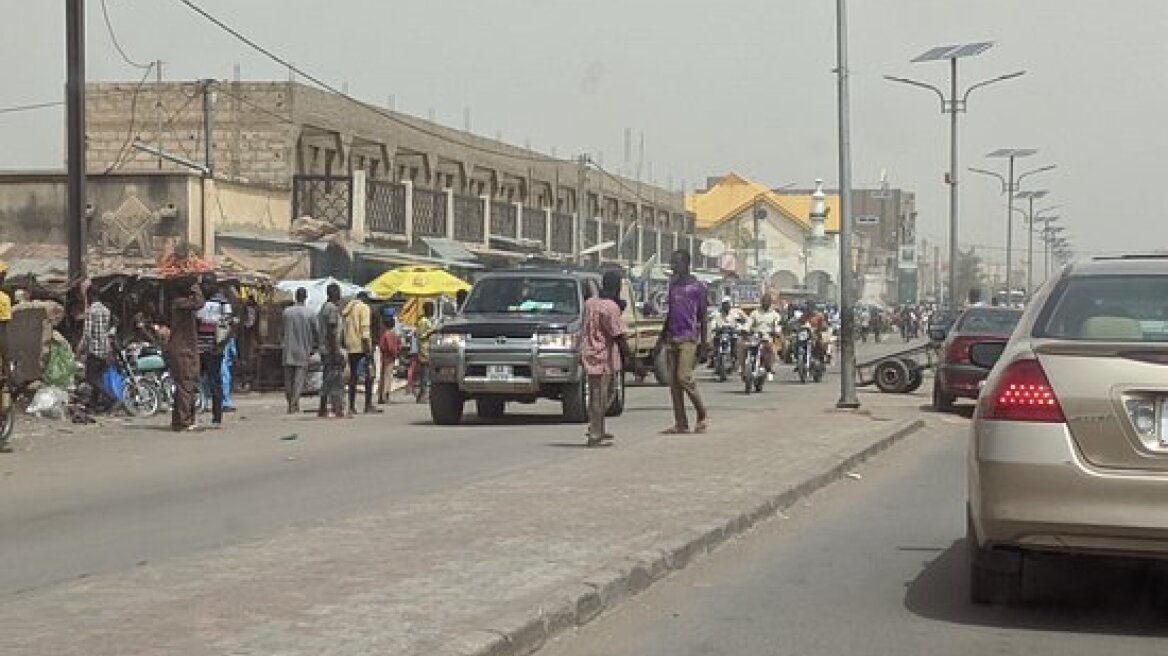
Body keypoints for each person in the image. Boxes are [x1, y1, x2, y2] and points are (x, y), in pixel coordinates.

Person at [580, 270, 641, 446]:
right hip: (604, 356)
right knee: (603, 394)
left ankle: (598, 427)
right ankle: (595, 433)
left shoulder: (590, 303)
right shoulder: (610, 307)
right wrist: (632, 360)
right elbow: (618, 335)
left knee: (595, 393)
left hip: (589, 352)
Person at [658, 249, 709, 434]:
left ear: (686, 264)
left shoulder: (697, 287)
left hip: (689, 337)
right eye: (672, 263)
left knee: (684, 377)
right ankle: (681, 422)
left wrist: (704, 344)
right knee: (674, 384)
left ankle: (701, 413)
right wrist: (661, 337)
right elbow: (670, 313)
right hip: (673, 336)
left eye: (676, 263)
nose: (673, 266)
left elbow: (703, 317)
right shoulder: (673, 285)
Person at [166, 278, 205, 431]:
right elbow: (199, 303)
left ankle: (179, 420)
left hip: (186, 348)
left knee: (185, 385)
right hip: (182, 350)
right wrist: (195, 286)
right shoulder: (179, 303)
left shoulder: (180, 303)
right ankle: (184, 421)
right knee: (186, 385)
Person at [196, 281, 233, 427]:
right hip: (199, 347)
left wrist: (222, 345)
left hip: (214, 348)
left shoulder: (223, 302)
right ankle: (195, 411)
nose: (205, 286)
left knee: (215, 381)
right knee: (195, 381)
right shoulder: (198, 301)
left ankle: (217, 416)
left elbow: (229, 325)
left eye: (208, 282)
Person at [341, 291, 380, 415]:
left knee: (353, 377)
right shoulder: (364, 308)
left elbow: (343, 330)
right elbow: (365, 329)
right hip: (362, 346)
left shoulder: (347, 309)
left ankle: (351, 406)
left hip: (350, 346)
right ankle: (368, 405)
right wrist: (368, 348)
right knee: (369, 375)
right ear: (365, 300)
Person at [281, 287, 317, 414]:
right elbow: (316, 332)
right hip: (303, 349)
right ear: (305, 297)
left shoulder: (287, 312)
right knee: (298, 380)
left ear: (296, 297)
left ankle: (290, 403)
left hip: (288, 349)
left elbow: (282, 331)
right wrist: (315, 346)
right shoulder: (310, 313)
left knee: (288, 380)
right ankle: (294, 404)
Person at [82, 289, 114, 413]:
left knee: (90, 378)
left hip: (94, 349)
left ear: (90, 296)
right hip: (105, 348)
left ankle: (110, 398)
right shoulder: (106, 311)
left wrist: (81, 349)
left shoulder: (91, 311)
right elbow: (106, 330)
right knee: (98, 378)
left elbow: (87, 333)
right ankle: (93, 404)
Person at [317, 282, 346, 418]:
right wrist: (336, 352)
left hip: (324, 349)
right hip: (330, 349)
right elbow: (331, 332)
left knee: (328, 378)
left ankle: (323, 407)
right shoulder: (332, 308)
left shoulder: (324, 307)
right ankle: (337, 408)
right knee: (336, 379)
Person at [747, 293, 783, 380]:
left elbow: (778, 325)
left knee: (772, 350)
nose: (765, 303)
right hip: (755, 338)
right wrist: (745, 329)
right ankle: (741, 367)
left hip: (767, 338)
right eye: (763, 301)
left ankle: (770, 368)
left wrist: (776, 331)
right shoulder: (755, 313)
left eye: (767, 301)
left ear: (770, 302)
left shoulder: (775, 315)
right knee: (742, 346)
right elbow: (749, 323)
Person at [377, 310, 402, 405]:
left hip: (384, 357)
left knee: (383, 376)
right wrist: (396, 353)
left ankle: (381, 396)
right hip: (390, 358)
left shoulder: (384, 334)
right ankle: (385, 396)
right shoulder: (391, 334)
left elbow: (382, 345)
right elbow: (391, 347)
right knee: (388, 377)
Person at [415, 301, 436, 403]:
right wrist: (431, 331)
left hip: (428, 348)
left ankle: (422, 395)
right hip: (424, 349)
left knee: (426, 374)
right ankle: (423, 395)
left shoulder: (428, 320)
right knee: (425, 375)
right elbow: (421, 335)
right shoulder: (423, 321)